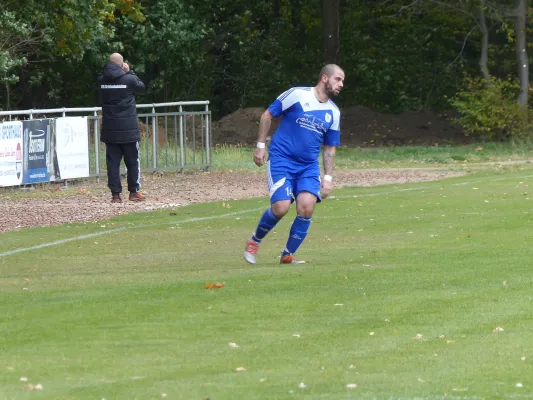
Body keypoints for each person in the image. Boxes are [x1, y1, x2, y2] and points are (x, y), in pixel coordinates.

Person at [243, 64, 345, 265]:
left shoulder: (334, 113)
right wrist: (260, 146)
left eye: (342, 81)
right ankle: (254, 241)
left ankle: (287, 254)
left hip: (308, 166)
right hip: (282, 159)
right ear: (325, 78)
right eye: (338, 79)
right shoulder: (297, 94)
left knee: (307, 207)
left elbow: (330, 148)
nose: (341, 84)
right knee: (280, 207)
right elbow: (267, 116)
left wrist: (328, 178)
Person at [98, 52, 146, 203]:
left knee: (112, 163)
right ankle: (133, 192)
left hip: (110, 128)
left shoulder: (101, 81)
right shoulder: (129, 78)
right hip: (129, 129)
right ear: (121, 64)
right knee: (132, 161)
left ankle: (115, 195)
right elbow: (141, 87)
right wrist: (130, 71)